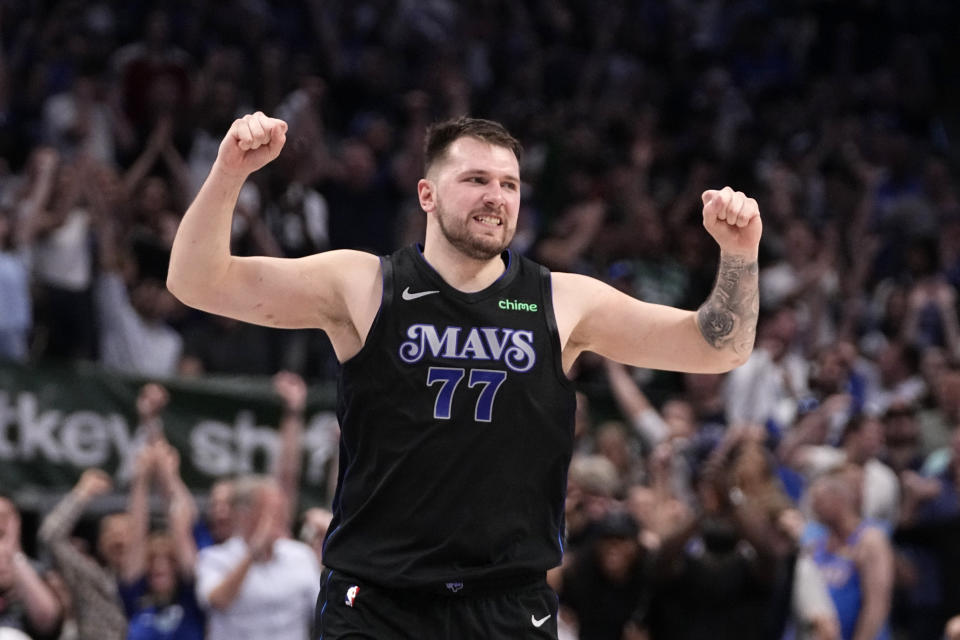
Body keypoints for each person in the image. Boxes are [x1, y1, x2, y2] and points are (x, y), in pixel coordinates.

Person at [167, 111, 762, 639]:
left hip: (507, 604)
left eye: (509, 184)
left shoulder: (563, 301)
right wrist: (228, 172)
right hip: (377, 603)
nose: (496, 196)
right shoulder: (363, 284)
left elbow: (718, 349)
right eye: (476, 180)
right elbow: (196, 282)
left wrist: (740, 253)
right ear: (427, 194)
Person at [194, 475, 320, 640]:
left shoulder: (301, 555)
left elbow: (323, 608)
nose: (282, 516)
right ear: (243, 514)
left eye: (282, 508)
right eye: (272, 511)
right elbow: (217, 601)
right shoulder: (214, 558)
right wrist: (252, 553)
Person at [0, 493, 63, 639]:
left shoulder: (38, 571)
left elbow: (47, 620)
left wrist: (14, 554)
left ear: (17, 522)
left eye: (4, 515)